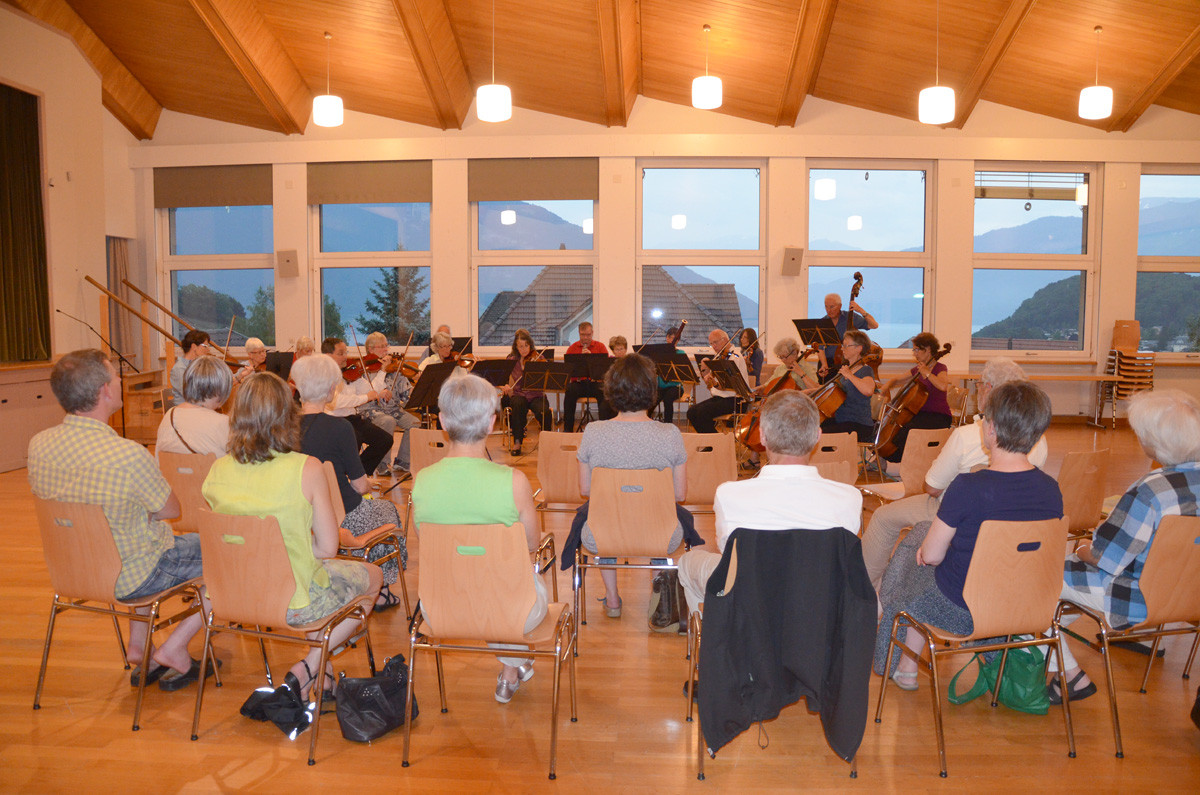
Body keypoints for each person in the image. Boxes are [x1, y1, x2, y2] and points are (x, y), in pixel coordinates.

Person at [29, 349, 212, 690]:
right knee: (227, 556)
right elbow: (171, 510)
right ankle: (174, 647)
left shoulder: (39, 446)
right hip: (132, 576)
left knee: (131, 534)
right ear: (104, 391)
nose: (118, 380)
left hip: (73, 570)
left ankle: (140, 647)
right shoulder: (127, 455)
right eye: (115, 376)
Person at [203, 372, 382, 702]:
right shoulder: (306, 467)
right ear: (288, 416)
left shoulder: (217, 469)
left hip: (232, 593)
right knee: (371, 577)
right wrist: (295, 544)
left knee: (320, 578)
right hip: (293, 601)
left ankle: (322, 677)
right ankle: (309, 667)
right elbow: (327, 548)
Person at [873, 380, 1063, 690]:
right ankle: (903, 653)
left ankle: (899, 659)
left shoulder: (967, 487)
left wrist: (925, 551)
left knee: (914, 557)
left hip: (962, 610)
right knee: (921, 537)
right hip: (1024, 605)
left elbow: (932, 556)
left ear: (991, 430)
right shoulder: (1050, 489)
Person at [1051, 389, 1200, 704]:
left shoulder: (1150, 491)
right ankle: (1044, 647)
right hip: (1190, 593)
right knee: (1051, 599)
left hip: (1138, 598)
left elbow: (1105, 558)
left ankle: (1069, 674)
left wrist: (1080, 549)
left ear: (1155, 442)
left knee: (1036, 580)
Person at [411, 374, 547, 704]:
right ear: (491, 423)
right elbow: (532, 545)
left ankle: (513, 667)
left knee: (481, 584)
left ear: (442, 421)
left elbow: (427, 544)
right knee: (503, 587)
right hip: (514, 608)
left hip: (442, 606)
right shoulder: (514, 481)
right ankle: (512, 666)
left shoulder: (422, 481)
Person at [859, 358, 1048, 592]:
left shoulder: (967, 436)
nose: (978, 389)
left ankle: (863, 590)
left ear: (989, 389)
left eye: (979, 384)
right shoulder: (1040, 440)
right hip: (1015, 518)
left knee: (883, 517)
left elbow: (932, 488)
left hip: (958, 513)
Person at [678, 390, 862, 612]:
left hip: (752, 601)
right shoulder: (849, 498)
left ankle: (717, 630)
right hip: (816, 603)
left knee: (688, 562)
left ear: (762, 436)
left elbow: (730, 559)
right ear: (817, 436)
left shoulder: (729, 495)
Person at [576, 353, 691, 617]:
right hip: (661, 534)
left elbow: (585, 490)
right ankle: (659, 597)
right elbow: (680, 494)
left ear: (611, 389)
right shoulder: (670, 434)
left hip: (603, 533)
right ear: (651, 390)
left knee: (601, 515)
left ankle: (612, 600)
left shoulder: (593, 432)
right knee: (661, 517)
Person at [292, 353, 407, 612]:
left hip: (301, 516)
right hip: (342, 515)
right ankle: (381, 590)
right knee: (386, 509)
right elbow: (360, 486)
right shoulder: (340, 428)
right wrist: (368, 486)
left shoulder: (282, 427)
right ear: (331, 390)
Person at [321, 337, 393, 475]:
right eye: (341, 353)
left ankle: (359, 474)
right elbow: (336, 402)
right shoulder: (324, 375)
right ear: (328, 356)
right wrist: (365, 398)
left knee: (384, 440)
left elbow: (372, 390)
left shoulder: (351, 372)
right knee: (355, 439)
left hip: (351, 418)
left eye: (346, 352)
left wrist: (383, 371)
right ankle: (347, 475)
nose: (345, 357)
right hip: (333, 419)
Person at [877, 332, 952, 464]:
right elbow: (897, 379)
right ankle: (883, 456)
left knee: (907, 431)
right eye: (914, 350)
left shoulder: (940, 368)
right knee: (886, 426)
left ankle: (908, 462)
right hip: (920, 414)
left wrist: (927, 373)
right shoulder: (918, 369)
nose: (914, 353)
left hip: (938, 417)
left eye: (917, 350)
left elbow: (943, 386)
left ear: (928, 349)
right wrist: (885, 387)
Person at [357, 331, 418, 477]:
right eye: (382, 347)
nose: (386, 350)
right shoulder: (364, 370)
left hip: (393, 409)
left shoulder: (394, 368)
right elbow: (368, 393)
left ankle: (402, 462)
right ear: (371, 349)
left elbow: (406, 396)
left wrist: (416, 386)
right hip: (370, 409)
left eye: (386, 346)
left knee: (414, 423)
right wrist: (382, 372)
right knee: (388, 421)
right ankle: (381, 464)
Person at [155, 355, 232, 458]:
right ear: (220, 389)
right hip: (209, 469)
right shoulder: (222, 423)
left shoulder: (169, 416)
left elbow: (158, 459)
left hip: (170, 469)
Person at [500, 329, 554, 456]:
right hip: (519, 394)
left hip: (536, 395)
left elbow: (548, 376)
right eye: (520, 346)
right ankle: (517, 442)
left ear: (530, 345)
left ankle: (546, 442)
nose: (524, 349)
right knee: (517, 405)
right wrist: (505, 385)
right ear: (516, 347)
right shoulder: (511, 359)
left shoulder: (539, 358)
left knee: (544, 411)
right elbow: (502, 378)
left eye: (526, 345)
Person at [817, 329, 877, 442]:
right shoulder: (846, 369)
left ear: (859, 348)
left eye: (846, 346)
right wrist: (809, 390)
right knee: (813, 429)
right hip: (842, 420)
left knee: (821, 436)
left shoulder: (865, 370)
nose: (842, 348)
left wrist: (849, 375)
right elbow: (830, 390)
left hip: (859, 424)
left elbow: (868, 391)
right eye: (842, 345)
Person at [686, 328, 750, 433]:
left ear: (725, 340)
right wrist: (706, 374)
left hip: (735, 400)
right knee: (691, 412)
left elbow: (728, 385)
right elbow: (713, 384)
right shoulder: (720, 356)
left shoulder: (735, 357)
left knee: (702, 413)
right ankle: (713, 440)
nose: (713, 346)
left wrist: (715, 383)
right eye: (711, 344)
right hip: (720, 398)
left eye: (715, 342)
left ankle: (715, 441)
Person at [562, 321, 613, 432]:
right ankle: (567, 431)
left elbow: (605, 370)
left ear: (592, 333)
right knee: (569, 391)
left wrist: (591, 359)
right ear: (579, 333)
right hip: (579, 383)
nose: (585, 338)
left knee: (604, 393)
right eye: (583, 335)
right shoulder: (572, 348)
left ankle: (605, 430)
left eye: (588, 335)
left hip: (595, 383)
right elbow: (568, 371)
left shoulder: (600, 347)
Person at [817, 292, 878, 381]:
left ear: (840, 306)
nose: (829, 310)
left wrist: (860, 310)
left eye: (832, 307)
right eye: (826, 306)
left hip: (849, 363)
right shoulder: (823, 322)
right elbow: (820, 347)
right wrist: (824, 364)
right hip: (828, 363)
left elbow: (874, 325)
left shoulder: (850, 317)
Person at [170, 329, 212, 404]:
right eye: (205, 346)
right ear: (194, 347)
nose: (208, 350)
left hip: (199, 406)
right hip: (186, 409)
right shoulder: (179, 369)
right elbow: (191, 395)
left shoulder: (197, 365)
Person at [655, 324, 686, 425]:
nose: (673, 341)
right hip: (661, 386)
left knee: (668, 399)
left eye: (675, 339)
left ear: (678, 341)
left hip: (676, 387)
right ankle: (648, 423)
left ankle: (668, 425)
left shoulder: (681, 353)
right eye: (671, 338)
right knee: (651, 399)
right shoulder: (660, 353)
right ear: (667, 338)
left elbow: (683, 372)